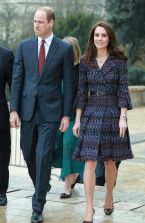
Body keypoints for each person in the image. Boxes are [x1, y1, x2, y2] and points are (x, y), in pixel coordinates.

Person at [10, 6, 74, 223]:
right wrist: (14, 109)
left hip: (51, 111)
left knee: (43, 154)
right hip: (27, 110)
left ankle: (37, 206)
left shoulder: (63, 49)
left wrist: (66, 115)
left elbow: (69, 84)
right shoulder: (24, 46)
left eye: (40, 21)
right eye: (34, 21)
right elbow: (17, 80)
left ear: (51, 23)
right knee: (28, 153)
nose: (35, 24)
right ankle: (42, 183)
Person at [73, 21, 134, 223]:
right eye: (96, 35)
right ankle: (89, 208)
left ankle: (109, 194)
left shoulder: (119, 62)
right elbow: (81, 92)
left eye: (104, 35)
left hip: (112, 112)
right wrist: (78, 119)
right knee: (89, 161)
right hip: (91, 111)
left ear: (110, 38)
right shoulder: (85, 61)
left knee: (109, 160)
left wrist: (123, 117)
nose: (99, 38)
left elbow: (123, 91)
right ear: (92, 38)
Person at [58, 37, 84, 199]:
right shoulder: (55, 69)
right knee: (56, 150)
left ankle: (67, 188)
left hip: (75, 117)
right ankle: (72, 176)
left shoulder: (81, 70)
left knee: (68, 147)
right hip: (55, 117)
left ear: (74, 51)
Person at [0, 46, 14, 206]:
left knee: (2, 155)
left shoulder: (6, 55)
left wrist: (14, 111)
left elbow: (13, 86)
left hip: (1, 114)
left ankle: (1, 191)